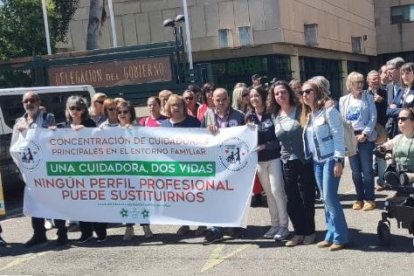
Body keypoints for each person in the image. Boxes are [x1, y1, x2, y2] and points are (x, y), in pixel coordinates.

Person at [11, 91, 69, 247]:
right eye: (26, 100)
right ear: (23, 104)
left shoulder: (47, 117)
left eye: (33, 100)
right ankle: (39, 234)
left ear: (39, 102)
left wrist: (30, 132)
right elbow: (15, 147)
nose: (29, 103)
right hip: (31, 169)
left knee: (54, 201)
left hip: (47, 168)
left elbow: (52, 137)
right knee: (35, 202)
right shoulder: (19, 122)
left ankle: (62, 234)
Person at [301, 80, 349, 251]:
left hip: (330, 159)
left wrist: (339, 160)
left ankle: (341, 236)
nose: (304, 95)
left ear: (317, 92)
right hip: (317, 161)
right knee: (324, 198)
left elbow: (338, 136)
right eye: (303, 92)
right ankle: (330, 234)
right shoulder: (309, 115)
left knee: (330, 198)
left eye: (308, 91)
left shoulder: (329, 111)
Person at [267, 81, 316, 247]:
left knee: (306, 198)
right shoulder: (275, 115)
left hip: (304, 160)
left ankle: (310, 232)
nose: (280, 96)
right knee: (292, 200)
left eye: (283, 92)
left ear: (289, 93)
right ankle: (298, 232)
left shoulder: (302, 109)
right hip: (287, 162)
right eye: (277, 94)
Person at [57, 95, 108, 243]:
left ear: (83, 110)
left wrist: (85, 130)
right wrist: (51, 132)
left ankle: (101, 231)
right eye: (72, 108)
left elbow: (101, 140)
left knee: (95, 202)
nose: (75, 111)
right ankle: (86, 232)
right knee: (80, 203)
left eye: (78, 108)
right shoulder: (64, 127)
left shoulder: (90, 124)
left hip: (91, 171)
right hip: (73, 172)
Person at [202, 88, 246, 244]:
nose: (221, 103)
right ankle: (216, 229)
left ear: (228, 99)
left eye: (223, 99)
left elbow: (247, 138)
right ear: (212, 100)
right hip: (215, 163)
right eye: (217, 100)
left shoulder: (239, 115)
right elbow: (200, 138)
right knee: (216, 196)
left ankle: (235, 225)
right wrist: (208, 132)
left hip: (234, 162)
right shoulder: (207, 116)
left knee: (234, 195)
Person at [245, 86, 288, 239]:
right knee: (268, 193)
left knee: (277, 191)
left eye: (256, 96)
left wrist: (266, 146)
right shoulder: (249, 117)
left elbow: (280, 138)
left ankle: (284, 226)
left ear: (263, 97)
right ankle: (274, 224)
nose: (253, 99)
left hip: (274, 157)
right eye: (251, 97)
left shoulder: (272, 114)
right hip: (259, 160)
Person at [159, 95, 202, 235]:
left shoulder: (194, 122)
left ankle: (202, 224)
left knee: (197, 196)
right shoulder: (163, 126)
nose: (176, 108)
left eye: (179, 105)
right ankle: (185, 224)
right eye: (173, 105)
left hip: (192, 167)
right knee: (180, 197)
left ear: (184, 107)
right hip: (173, 169)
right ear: (168, 108)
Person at [339, 72, 377, 211]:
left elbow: (373, 117)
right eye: (356, 82)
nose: (360, 84)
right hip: (351, 138)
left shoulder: (368, 97)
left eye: (361, 81)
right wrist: (349, 136)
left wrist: (365, 134)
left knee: (367, 170)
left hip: (365, 137)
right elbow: (343, 120)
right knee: (355, 171)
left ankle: (370, 199)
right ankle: (359, 198)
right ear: (350, 84)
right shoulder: (343, 100)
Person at [380, 108, 414, 185]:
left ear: (413, 122)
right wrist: (381, 148)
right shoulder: (398, 138)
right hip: (399, 172)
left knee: (406, 177)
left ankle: (407, 178)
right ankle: (398, 178)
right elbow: (388, 144)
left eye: (403, 119)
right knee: (388, 175)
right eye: (398, 119)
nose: (400, 121)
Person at [366, 70, 388, 191]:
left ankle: (382, 180)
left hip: (381, 128)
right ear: (368, 80)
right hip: (368, 129)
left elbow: (390, 108)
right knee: (369, 155)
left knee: (380, 154)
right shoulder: (364, 94)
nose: (376, 81)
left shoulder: (385, 93)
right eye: (373, 79)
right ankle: (372, 181)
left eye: (378, 78)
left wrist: (382, 101)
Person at [386, 57, 405, 138]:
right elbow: (387, 108)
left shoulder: (408, 86)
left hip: (406, 128)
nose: (388, 73)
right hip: (391, 129)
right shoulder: (389, 87)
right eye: (387, 70)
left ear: (400, 69)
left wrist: (392, 111)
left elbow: (409, 109)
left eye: (391, 69)